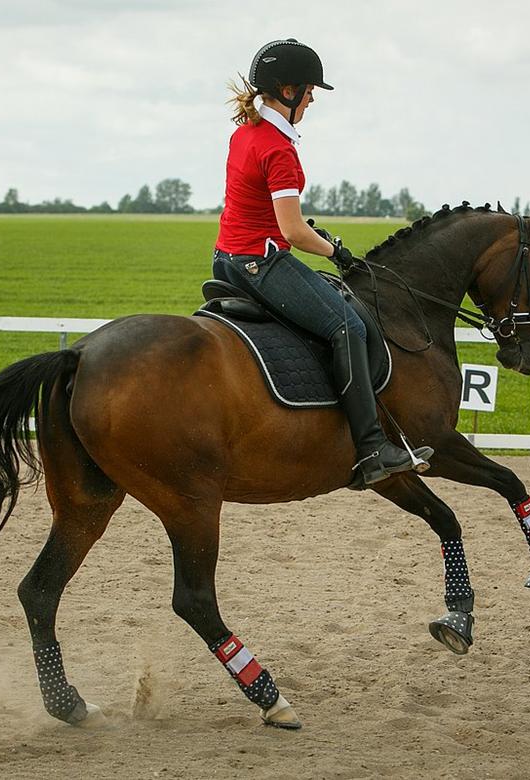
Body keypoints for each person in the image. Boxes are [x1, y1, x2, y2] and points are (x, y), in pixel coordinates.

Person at [212, 38, 433, 489]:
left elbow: (265, 213)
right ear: (288, 90)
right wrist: (336, 251)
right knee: (347, 326)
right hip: (262, 262)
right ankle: (371, 448)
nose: (313, 99)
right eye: (310, 90)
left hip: (228, 260)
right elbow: (292, 231)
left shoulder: (244, 133)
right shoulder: (278, 149)